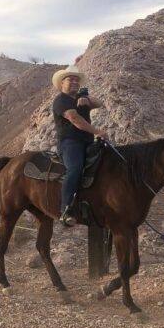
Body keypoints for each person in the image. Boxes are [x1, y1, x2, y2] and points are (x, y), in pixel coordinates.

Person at [51, 60, 107, 226]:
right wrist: (98, 132)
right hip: (70, 142)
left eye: (76, 79)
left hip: (87, 142)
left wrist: (85, 97)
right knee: (75, 169)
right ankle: (65, 209)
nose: (74, 82)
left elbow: (100, 103)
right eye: (70, 79)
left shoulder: (80, 99)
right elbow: (75, 120)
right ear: (62, 83)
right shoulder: (61, 100)